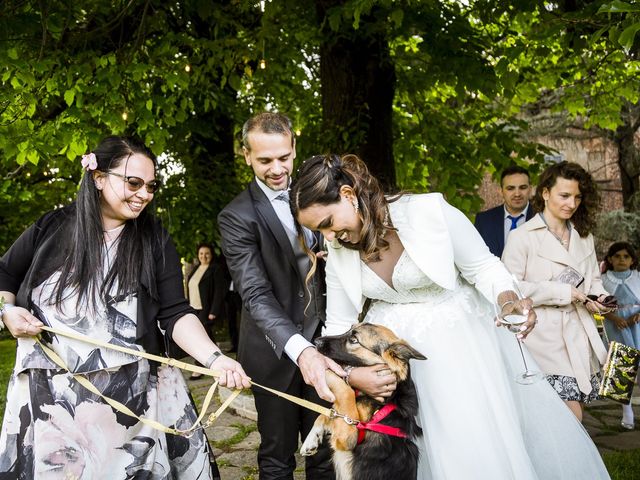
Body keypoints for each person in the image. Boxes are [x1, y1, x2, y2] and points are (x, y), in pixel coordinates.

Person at [290, 153, 610, 479]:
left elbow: (484, 268)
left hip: (460, 353)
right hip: (397, 374)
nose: (329, 237)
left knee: (467, 450)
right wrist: (351, 377)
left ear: (347, 196)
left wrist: (509, 301)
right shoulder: (340, 249)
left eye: (328, 223)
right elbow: (338, 329)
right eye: (320, 231)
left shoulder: (430, 212)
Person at [0, 136, 250, 479]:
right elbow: (5, 276)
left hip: (132, 405)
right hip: (52, 401)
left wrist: (214, 358)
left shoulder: (154, 238)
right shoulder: (52, 227)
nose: (144, 194)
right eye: (133, 182)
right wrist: (6, 312)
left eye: (151, 185)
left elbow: (175, 313)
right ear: (99, 177)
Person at [219, 113, 394, 480]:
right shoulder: (236, 216)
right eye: (265, 160)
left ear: (294, 148)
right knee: (277, 457)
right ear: (246, 156)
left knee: (327, 453)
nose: (277, 168)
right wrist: (300, 349)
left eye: (284, 157)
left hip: (329, 346)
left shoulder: (316, 195)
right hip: (275, 353)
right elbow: (254, 293)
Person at [502, 161, 610, 422]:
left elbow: (594, 280)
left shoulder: (584, 236)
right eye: (564, 195)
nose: (571, 204)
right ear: (545, 193)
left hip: (579, 334)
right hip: (542, 337)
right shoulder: (522, 237)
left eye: (577, 197)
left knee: (566, 417)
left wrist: (602, 299)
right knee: (569, 414)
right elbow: (509, 288)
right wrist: (561, 292)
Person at [601, 241, 640, 430]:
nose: (621, 260)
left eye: (626, 256)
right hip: (616, 324)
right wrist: (614, 318)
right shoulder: (604, 279)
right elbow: (599, 305)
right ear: (610, 259)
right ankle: (627, 410)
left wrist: (637, 315)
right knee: (621, 364)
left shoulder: (638, 277)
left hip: (637, 324)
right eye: (617, 256)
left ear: (632, 260)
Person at [186, 243, 228, 379]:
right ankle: (220, 364)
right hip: (194, 309)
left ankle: (199, 367)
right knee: (207, 339)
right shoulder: (196, 269)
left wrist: (214, 311)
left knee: (201, 339)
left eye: (207, 253)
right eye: (201, 253)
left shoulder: (216, 269)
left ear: (211, 255)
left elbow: (219, 292)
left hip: (206, 310)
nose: (204, 256)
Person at [474, 164, 534, 257]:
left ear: (530, 189)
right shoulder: (484, 221)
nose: (517, 194)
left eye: (522, 187)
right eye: (510, 188)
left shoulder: (543, 218)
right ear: (501, 191)